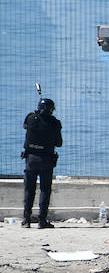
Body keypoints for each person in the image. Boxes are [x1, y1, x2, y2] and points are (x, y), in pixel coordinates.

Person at [21, 97, 62, 228]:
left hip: (31, 159)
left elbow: (26, 126)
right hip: (46, 160)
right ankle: (42, 220)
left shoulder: (31, 118)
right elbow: (59, 143)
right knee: (45, 190)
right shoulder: (54, 123)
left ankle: (26, 220)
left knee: (29, 189)